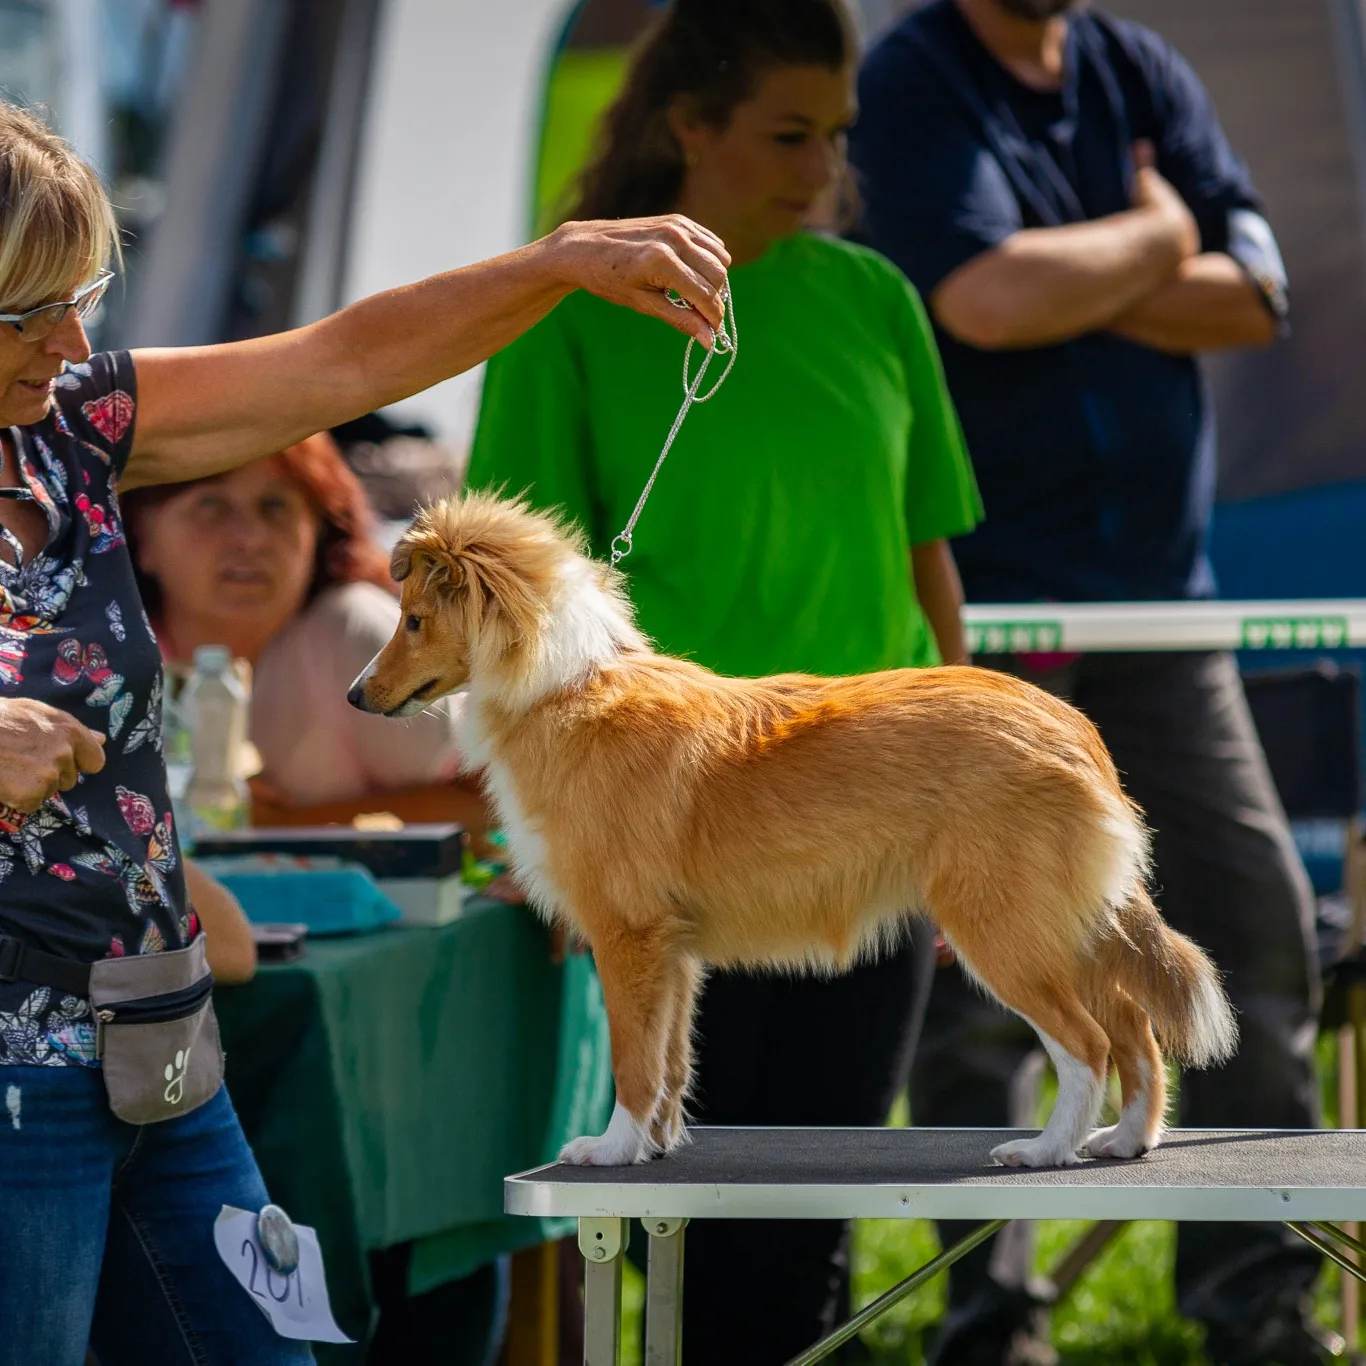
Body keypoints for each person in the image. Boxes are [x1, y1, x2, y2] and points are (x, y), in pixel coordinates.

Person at [0, 98, 727, 1366]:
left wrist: (556, 262)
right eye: (29, 311)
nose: (72, 338)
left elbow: (343, 361)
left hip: (163, 1048)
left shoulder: (72, 424)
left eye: (88, 294)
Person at [463, 2, 981, 1359]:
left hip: (872, 801)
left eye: (838, 134)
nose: (821, 166)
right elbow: (508, 600)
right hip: (660, 815)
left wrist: (963, 789)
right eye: (785, 132)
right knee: (673, 1194)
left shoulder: (874, 299)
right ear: (686, 127)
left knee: (817, 1190)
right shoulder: (560, 318)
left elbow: (930, 576)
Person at [850, 3, 1326, 1363]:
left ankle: (1254, 1300)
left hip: (1165, 610)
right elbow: (985, 304)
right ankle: (983, 1315)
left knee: (1252, 926)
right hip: (991, 621)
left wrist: (1079, 275)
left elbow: (1257, 298)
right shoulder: (913, 79)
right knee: (984, 977)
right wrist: (1159, 236)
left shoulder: (1136, 65)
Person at [123, 433, 466, 813]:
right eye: (211, 505)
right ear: (139, 536)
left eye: (275, 506)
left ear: (319, 532)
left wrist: (279, 827)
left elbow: (489, 802)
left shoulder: (352, 631)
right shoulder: (104, 660)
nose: (251, 538)